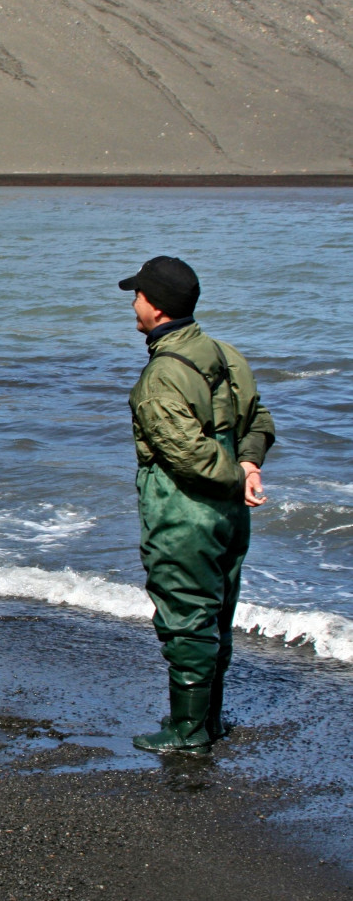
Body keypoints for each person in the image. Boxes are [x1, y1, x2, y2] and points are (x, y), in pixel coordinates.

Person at [120, 257, 274, 755]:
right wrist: (249, 465)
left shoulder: (162, 375)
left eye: (138, 295)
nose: (134, 302)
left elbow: (188, 457)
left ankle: (188, 732)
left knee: (186, 617)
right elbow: (260, 417)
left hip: (185, 512)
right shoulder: (224, 354)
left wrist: (235, 476)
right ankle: (209, 720)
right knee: (217, 614)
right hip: (232, 516)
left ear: (157, 307)